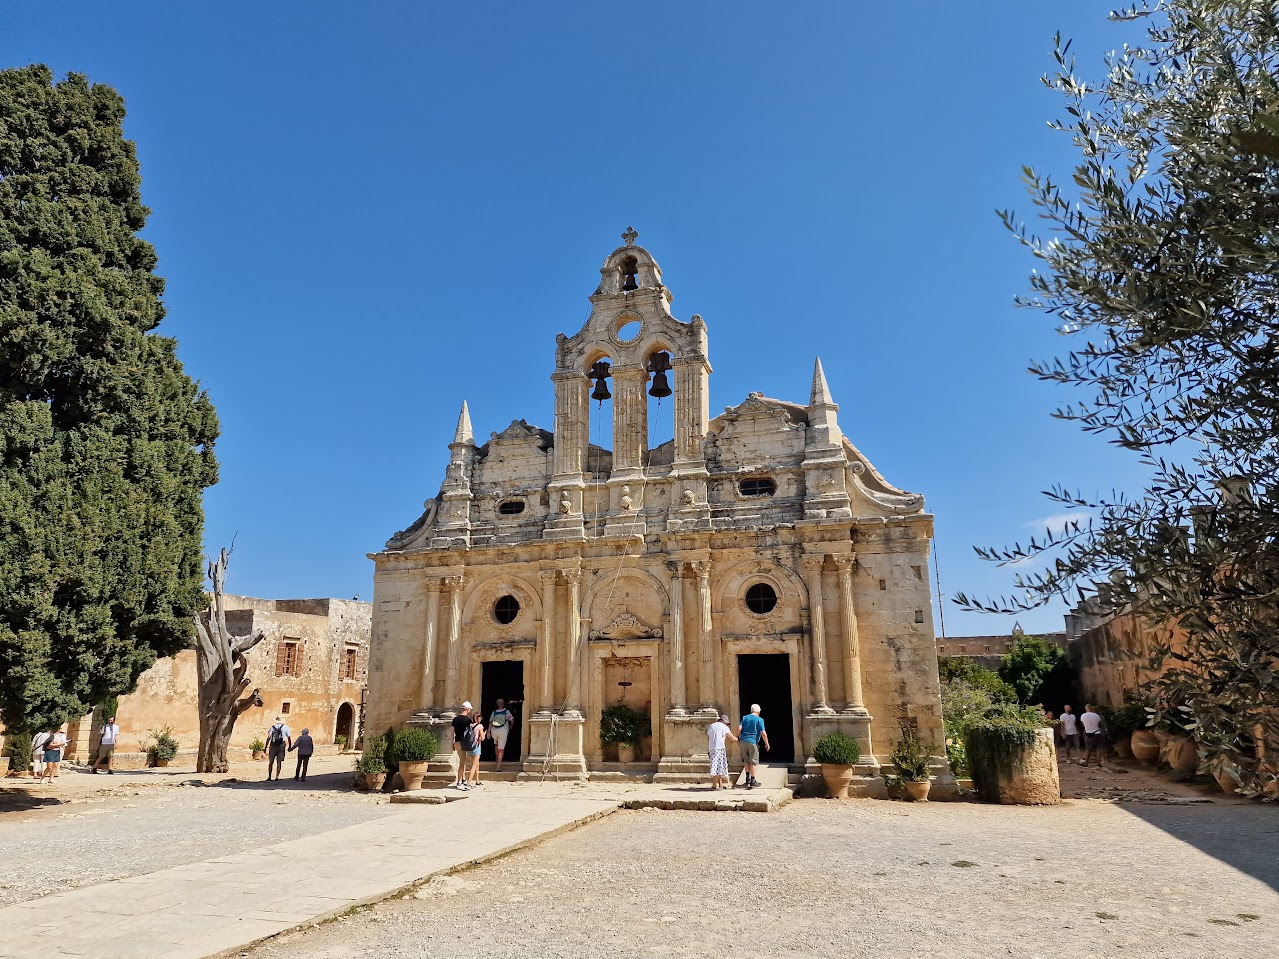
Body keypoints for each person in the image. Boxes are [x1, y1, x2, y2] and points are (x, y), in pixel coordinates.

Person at [737, 704, 770, 790]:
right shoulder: (759, 719)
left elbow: (739, 728)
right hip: (752, 742)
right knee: (753, 762)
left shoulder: (744, 718)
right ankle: (753, 780)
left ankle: (747, 779)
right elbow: (763, 733)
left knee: (746, 761)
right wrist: (767, 743)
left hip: (743, 741)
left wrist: (738, 738)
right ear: (759, 711)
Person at [707, 714, 738, 790]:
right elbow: (732, 738)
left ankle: (720, 784)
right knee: (718, 766)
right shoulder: (724, 727)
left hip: (712, 748)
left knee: (716, 765)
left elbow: (708, 737)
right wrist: (738, 739)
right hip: (720, 748)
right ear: (724, 722)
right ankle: (715, 785)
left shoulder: (712, 726)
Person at [452, 702, 475, 789]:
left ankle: (463, 779)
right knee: (462, 762)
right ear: (468, 709)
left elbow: (452, 732)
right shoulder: (468, 720)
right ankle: (459, 782)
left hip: (457, 742)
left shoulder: (455, 719)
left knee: (463, 761)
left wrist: (452, 742)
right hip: (465, 742)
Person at [488, 699, 514, 771]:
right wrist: (511, 725)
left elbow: (490, 722)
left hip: (494, 730)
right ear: (503, 704)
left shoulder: (494, 712)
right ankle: (498, 765)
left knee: (496, 744)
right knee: (501, 749)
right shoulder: (506, 712)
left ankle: (497, 759)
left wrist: (488, 732)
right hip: (503, 730)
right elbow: (511, 720)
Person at [265, 716, 292, 782]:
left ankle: (269, 776)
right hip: (281, 745)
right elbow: (289, 737)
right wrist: (290, 746)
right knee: (279, 762)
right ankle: (277, 777)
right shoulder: (286, 727)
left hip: (273, 745)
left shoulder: (272, 727)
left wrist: (265, 747)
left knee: (271, 762)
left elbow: (268, 737)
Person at [1080, 704, 1107, 768]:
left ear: (1086, 708)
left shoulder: (1083, 715)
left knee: (1088, 749)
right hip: (1097, 732)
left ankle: (1086, 763)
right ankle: (1098, 763)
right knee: (1099, 748)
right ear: (1091, 708)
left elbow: (1083, 725)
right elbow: (1100, 724)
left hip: (1089, 733)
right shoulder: (1097, 716)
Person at [463, 711, 485, 788]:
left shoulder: (469, 725)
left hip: (469, 747)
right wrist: (484, 734)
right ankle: (468, 783)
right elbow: (482, 738)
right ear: (479, 718)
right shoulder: (480, 726)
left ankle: (477, 781)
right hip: (476, 747)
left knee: (476, 765)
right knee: (474, 766)